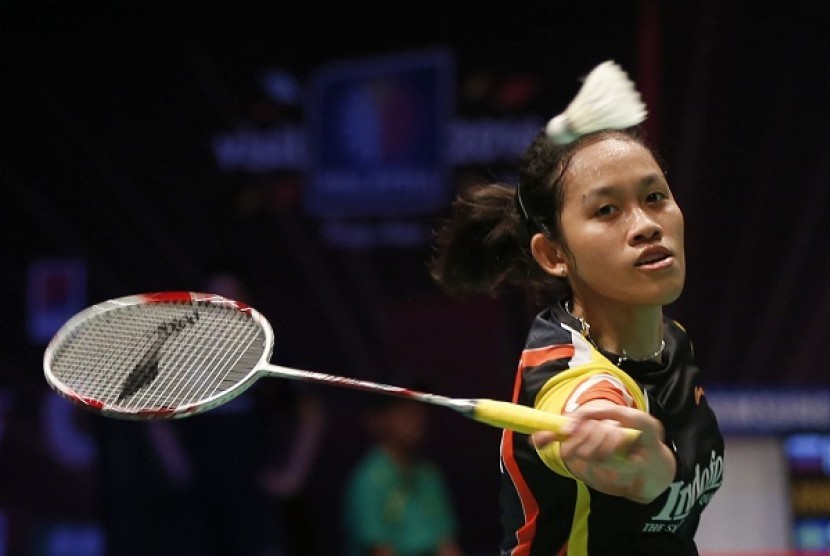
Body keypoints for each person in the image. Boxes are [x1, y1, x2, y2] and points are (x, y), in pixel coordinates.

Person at [428, 61, 724, 555]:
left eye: (655, 197)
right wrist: (627, 457)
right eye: (606, 210)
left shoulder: (671, 339)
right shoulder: (566, 373)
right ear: (554, 255)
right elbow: (585, 407)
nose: (646, 225)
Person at [343, 391, 463, 556]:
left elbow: (447, 544)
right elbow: (379, 550)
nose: (415, 417)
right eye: (402, 409)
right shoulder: (368, 481)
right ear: (379, 420)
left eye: (417, 409)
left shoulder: (429, 474)